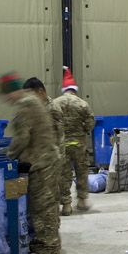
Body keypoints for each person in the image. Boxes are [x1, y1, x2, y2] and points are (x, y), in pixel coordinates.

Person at [0, 72, 61, 254]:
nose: (6, 100)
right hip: (46, 160)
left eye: (6, 95)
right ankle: (50, 248)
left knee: (42, 210)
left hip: (41, 164)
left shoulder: (24, 104)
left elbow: (22, 137)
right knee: (47, 207)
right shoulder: (32, 100)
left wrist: (9, 156)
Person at [54, 67, 95, 216]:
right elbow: (91, 122)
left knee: (64, 174)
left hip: (62, 145)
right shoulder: (82, 104)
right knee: (82, 172)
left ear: (63, 89)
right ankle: (82, 200)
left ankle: (66, 205)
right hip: (78, 144)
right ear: (74, 89)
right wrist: (83, 130)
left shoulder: (55, 103)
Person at [24, 77, 64, 157]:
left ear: (40, 91)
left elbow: (60, 136)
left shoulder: (53, 108)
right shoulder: (35, 108)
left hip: (50, 157)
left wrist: (60, 158)